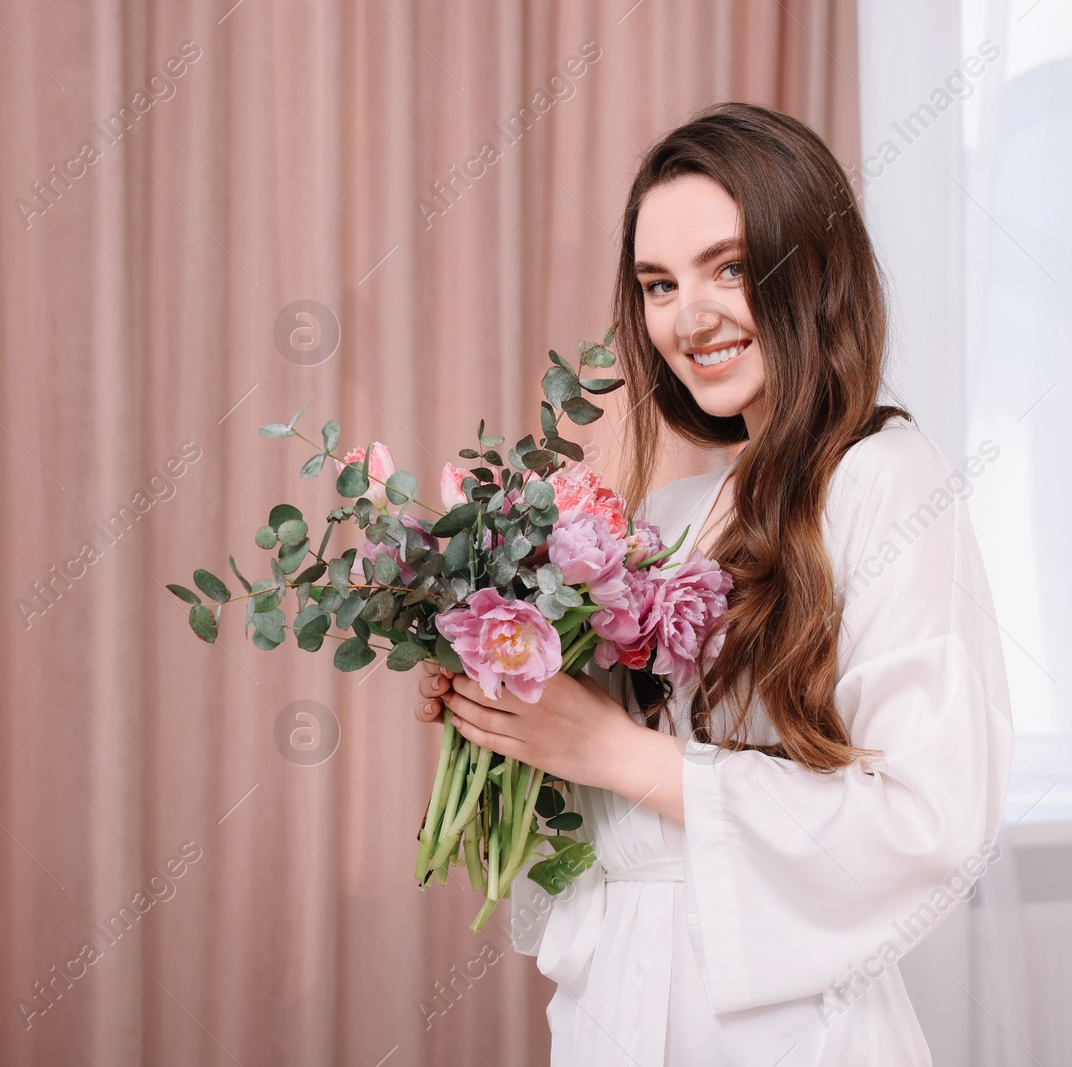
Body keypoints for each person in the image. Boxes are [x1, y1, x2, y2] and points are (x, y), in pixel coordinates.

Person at [412, 102, 1013, 1066]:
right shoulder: (668, 518)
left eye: (728, 267)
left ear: (811, 267)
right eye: (658, 283)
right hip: (619, 1009)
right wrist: (510, 718)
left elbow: (927, 819)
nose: (687, 319)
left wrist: (623, 754)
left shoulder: (885, 478)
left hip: (785, 1031)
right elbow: (602, 807)